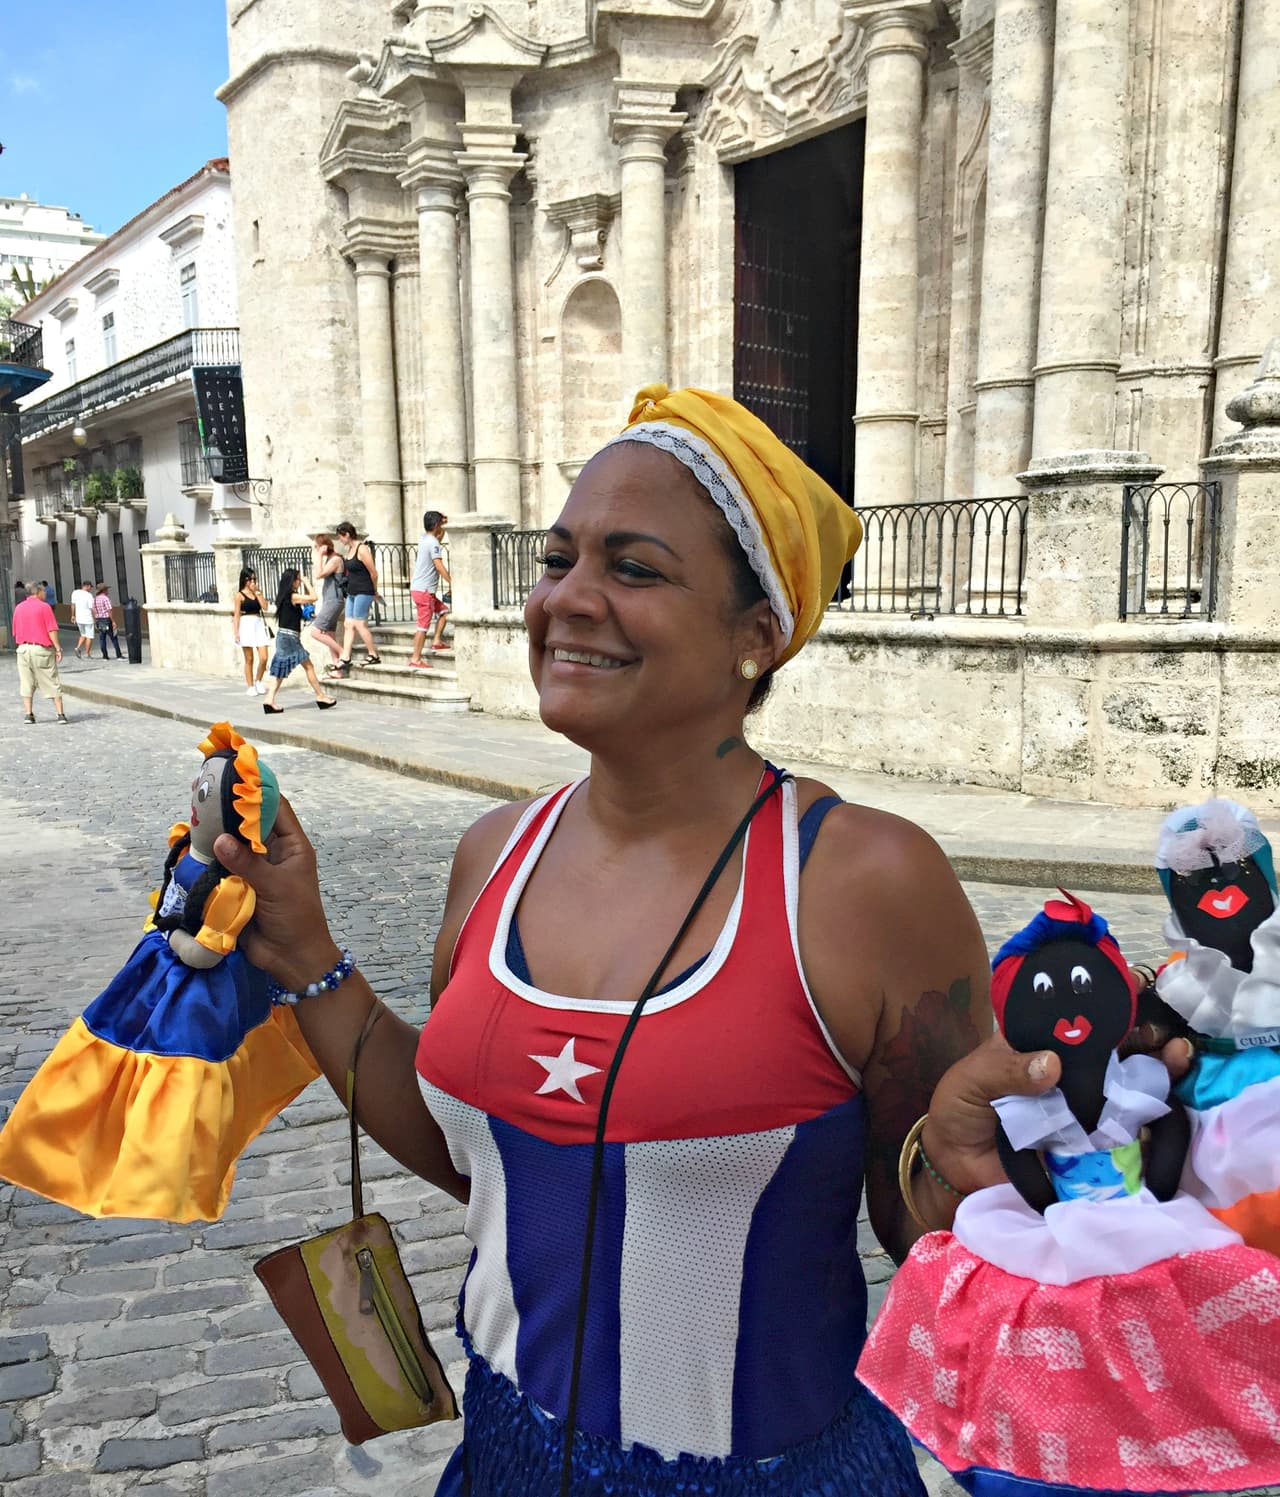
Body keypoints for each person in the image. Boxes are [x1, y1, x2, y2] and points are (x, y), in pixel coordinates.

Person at [214, 386, 1194, 1497]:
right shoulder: (493, 854)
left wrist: (1007, 1177)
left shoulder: (857, 881)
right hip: (500, 1462)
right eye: (557, 559)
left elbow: (916, 1219)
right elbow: (489, 1162)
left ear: (757, 633)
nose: (568, 600)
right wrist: (304, 954)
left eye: (632, 569)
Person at [260, 569, 337, 714]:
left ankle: (269, 700)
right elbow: (314, 597)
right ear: (292, 581)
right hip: (289, 639)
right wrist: (307, 582)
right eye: (297, 579)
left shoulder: (283, 597)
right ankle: (320, 696)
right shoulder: (292, 596)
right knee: (308, 666)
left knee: (281, 670)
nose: (298, 582)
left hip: (285, 637)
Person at [329, 521, 380, 676]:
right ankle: (345, 656)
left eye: (341, 537)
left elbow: (373, 572)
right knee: (348, 624)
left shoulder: (362, 549)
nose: (340, 541)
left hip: (364, 590)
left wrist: (374, 590)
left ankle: (373, 654)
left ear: (347, 534)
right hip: (352, 591)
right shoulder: (350, 550)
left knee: (359, 623)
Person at [14, 581, 67, 725]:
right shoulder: (44, 607)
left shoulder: (18, 608)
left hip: (23, 649)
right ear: (37, 592)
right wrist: (57, 648)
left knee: (26, 682)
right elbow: (51, 629)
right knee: (51, 679)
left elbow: (15, 631)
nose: (46, 594)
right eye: (44, 591)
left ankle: (28, 714)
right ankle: (60, 714)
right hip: (41, 649)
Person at [407, 510, 452, 669]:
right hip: (425, 591)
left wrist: (443, 524)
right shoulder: (432, 542)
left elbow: (438, 537)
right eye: (441, 524)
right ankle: (415, 659)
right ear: (437, 525)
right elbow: (438, 565)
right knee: (423, 626)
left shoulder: (424, 539)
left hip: (421, 589)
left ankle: (437, 641)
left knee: (444, 612)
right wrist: (452, 582)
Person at [231, 568, 270, 696]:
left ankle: (258, 680)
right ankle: (250, 685)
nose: (252, 581)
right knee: (249, 658)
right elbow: (236, 614)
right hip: (246, 624)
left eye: (254, 579)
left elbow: (265, 607)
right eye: (250, 579)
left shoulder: (257, 592)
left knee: (264, 657)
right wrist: (236, 632)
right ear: (244, 580)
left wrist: (257, 592)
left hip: (258, 624)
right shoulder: (239, 595)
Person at [309, 533, 345, 668]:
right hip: (330, 600)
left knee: (316, 632)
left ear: (324, 546)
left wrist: (318, 556)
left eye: (317, 546)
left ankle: (343, 653)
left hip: (334, 600)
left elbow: (319, 575)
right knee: (329, 634)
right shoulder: (330, 559)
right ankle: (337, 668)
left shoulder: (335, 560)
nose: (316, 549)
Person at [93, 584, 123, 660]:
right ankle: (118, 655)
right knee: (114, 637)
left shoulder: (95, 599)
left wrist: (95, 619)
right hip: (106, 619)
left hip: (99, 620)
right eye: (106, 589)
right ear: (104, 590)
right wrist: (113, 621)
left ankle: (105, 656)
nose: (108, 591)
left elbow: (93, 610)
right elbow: (109, 610)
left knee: (102, 638)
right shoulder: (105, 599)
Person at [69, 579, 96, 661]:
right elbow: (92, 608)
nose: (90, 589)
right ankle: (87, 653)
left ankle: (78, 647)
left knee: (83, 634)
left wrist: (73, 615)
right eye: (90, 587)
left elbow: (73, 605)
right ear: (87, 586)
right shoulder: (89, 595)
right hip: (88, 618)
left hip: (79, 617)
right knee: (89, 636)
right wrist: (95, 618)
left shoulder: (75, 593)